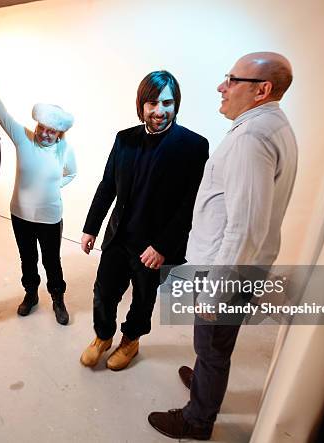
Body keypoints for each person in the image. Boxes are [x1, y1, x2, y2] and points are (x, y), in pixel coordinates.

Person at [148, 52, 298, 440]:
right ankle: (204, 381)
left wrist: (215, 292)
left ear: (262, 90)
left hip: (224, 271)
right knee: (213, 343)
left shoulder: (251, 137)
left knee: (212, 343)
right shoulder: (271, 126)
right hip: (233, 266)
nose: (221, 87)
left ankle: (197, 420)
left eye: (232, 80)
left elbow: (245, 226)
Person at [80, 70, 210, 371]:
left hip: (153, 246)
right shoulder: (124, 139)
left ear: (176, 104)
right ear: (141, 106)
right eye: (152, 103)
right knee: (104, 291)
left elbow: (190, 205)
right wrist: (91, 227)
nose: (160, 111)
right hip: (119, 236)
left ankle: (131, 341)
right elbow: (107, 186)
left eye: (167, 102)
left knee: (143, 299)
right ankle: (103, 337)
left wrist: (163, 245)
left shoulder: (193, 146)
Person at [0, 51, 77, 325]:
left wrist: (56, 186)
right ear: (37, 125)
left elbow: (72, 173)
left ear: (60, 133)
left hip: (49, 217)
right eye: (42, 127)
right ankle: (31, 294)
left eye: (51, 131)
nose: (45, 133)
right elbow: (1, 111)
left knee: (52, 261)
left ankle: (57, 298)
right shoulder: (23, 138)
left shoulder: (65, 150)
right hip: (20, 214)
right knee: (27, 258)